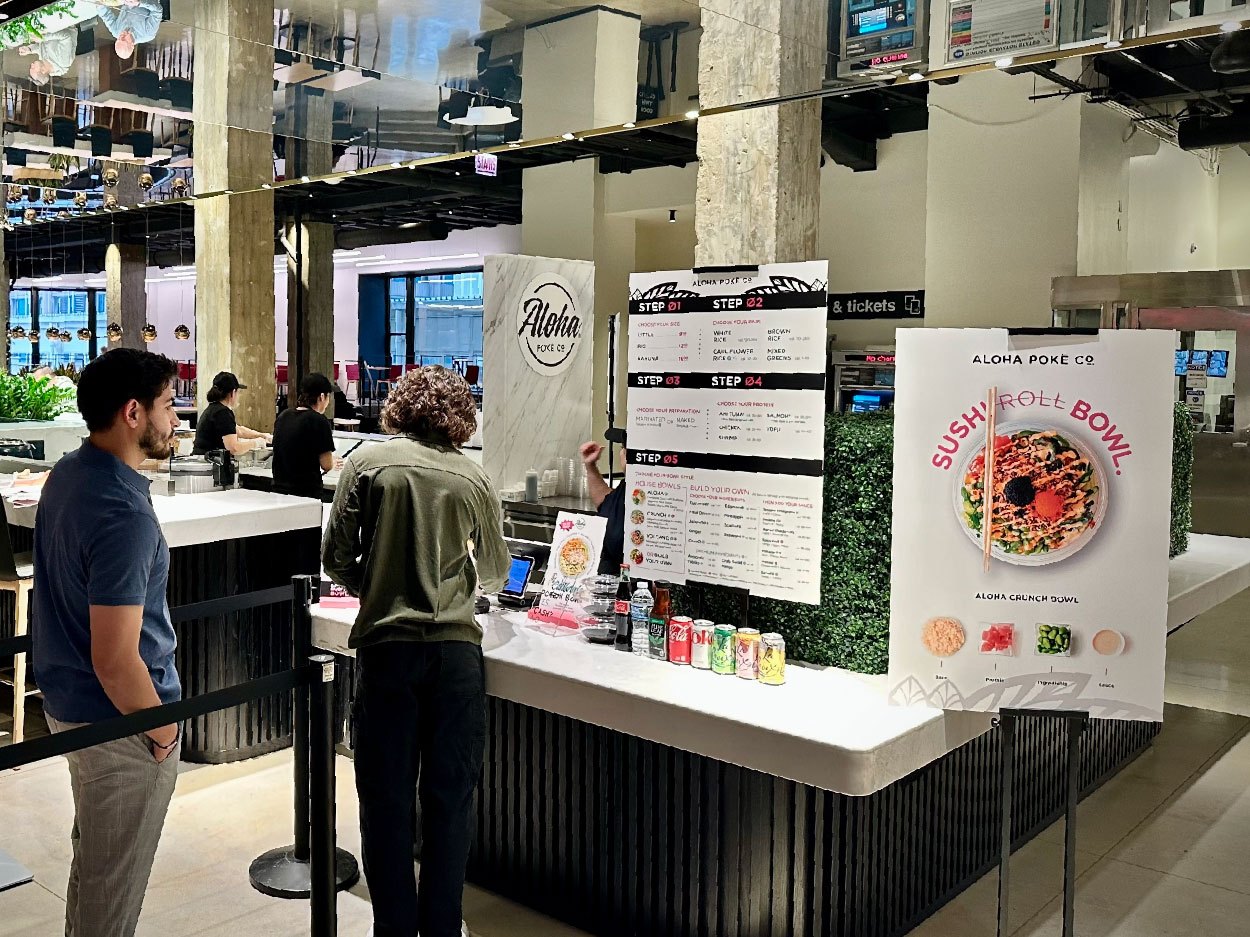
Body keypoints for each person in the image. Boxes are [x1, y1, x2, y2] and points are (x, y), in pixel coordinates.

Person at [323, 365, 508, 937]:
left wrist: (379, 584)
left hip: (387, 651)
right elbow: (496, 571)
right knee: (450, 801)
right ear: (460, 415)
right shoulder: (473, 477)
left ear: (400, 406)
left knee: (385, 801)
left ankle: (394, 928)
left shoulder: (366, 463)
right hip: (456, 656)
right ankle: (442, 927)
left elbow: (335, 557)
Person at [30, 347, 183, 937]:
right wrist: (163, 729)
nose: (175, 419)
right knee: (112, 890)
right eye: (167, 405)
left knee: (96, 867)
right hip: (120, 722)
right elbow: (116, 659)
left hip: (73, 706)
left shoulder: (70, 472)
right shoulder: (122, 512)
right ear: (133, 413)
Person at [271, 372, 339, 499]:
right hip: (306, 495)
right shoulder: (319, 421)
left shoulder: (283, 416)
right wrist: (334, 462)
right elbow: (326, 465)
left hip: (279, 492)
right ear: (322, 396)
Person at [580, 428, 627, 574]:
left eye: (623, 448)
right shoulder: (627, 486)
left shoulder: (644, 492)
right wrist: (590, 466)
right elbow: (607, 503)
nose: (621, 453)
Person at [192, 371, 271, 456]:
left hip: (201, 458)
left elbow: (238, 430)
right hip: (208, 461)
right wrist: (256, 443)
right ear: (233, 393)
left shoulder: (214, 409)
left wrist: (262, 436)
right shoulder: (222, 413)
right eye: (238, 392)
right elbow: (233, 448)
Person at [95, 0, 163, 58]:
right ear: (132, 45)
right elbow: (158, 10)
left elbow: (106, 15)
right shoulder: (148, 34)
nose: (121, 36)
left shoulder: (116, 32)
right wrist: (139, 3)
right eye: (124, 40)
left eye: (118, 39)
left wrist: (100, 5)